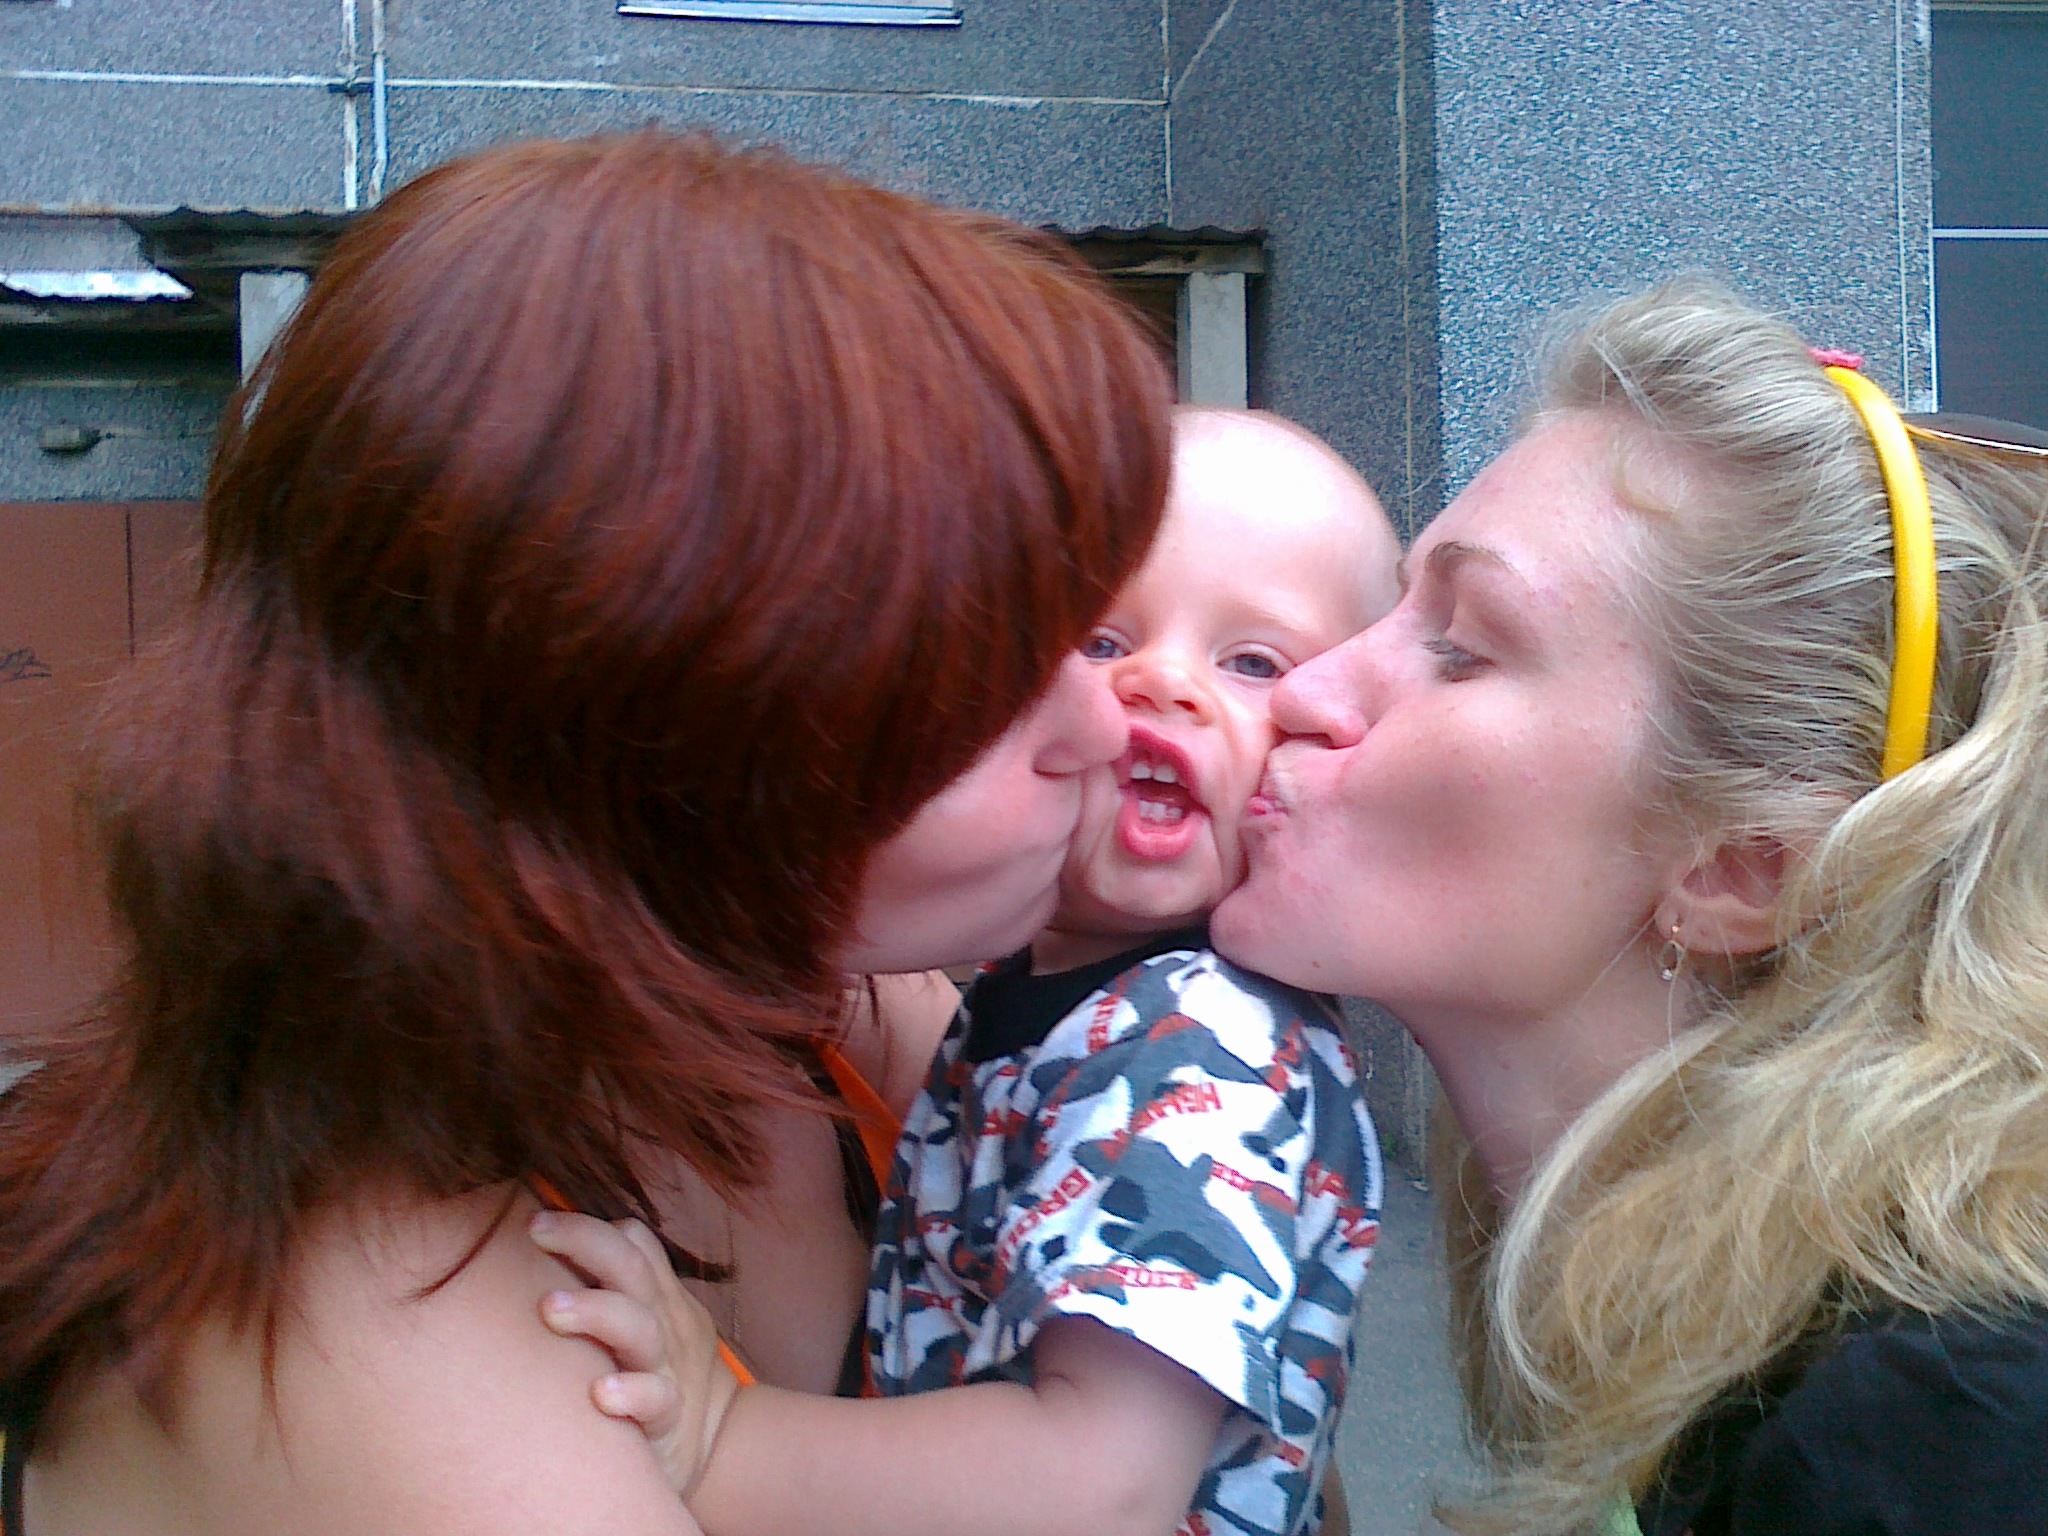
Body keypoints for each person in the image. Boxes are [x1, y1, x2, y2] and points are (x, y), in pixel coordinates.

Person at [0, 129, 1174, 1536]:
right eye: (978, 667)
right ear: (640, 721)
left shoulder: (819, 1018)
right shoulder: (387, 1364)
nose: (1104, 723)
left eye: (1083, 624)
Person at [1211, 280, 2048, 1534]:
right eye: (1389, 610)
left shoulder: (1936, 1437)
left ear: (1739, 869)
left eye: (1460, 647)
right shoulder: (1756, 1353)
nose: (1303, 691)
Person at [535, 406, 1400, 1536]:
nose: (1160, 682)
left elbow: (1101, 1487)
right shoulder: (1053, 994)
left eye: (1251, 663)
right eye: (1099, 641)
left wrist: (723, 1438)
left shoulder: (1199, 1053)